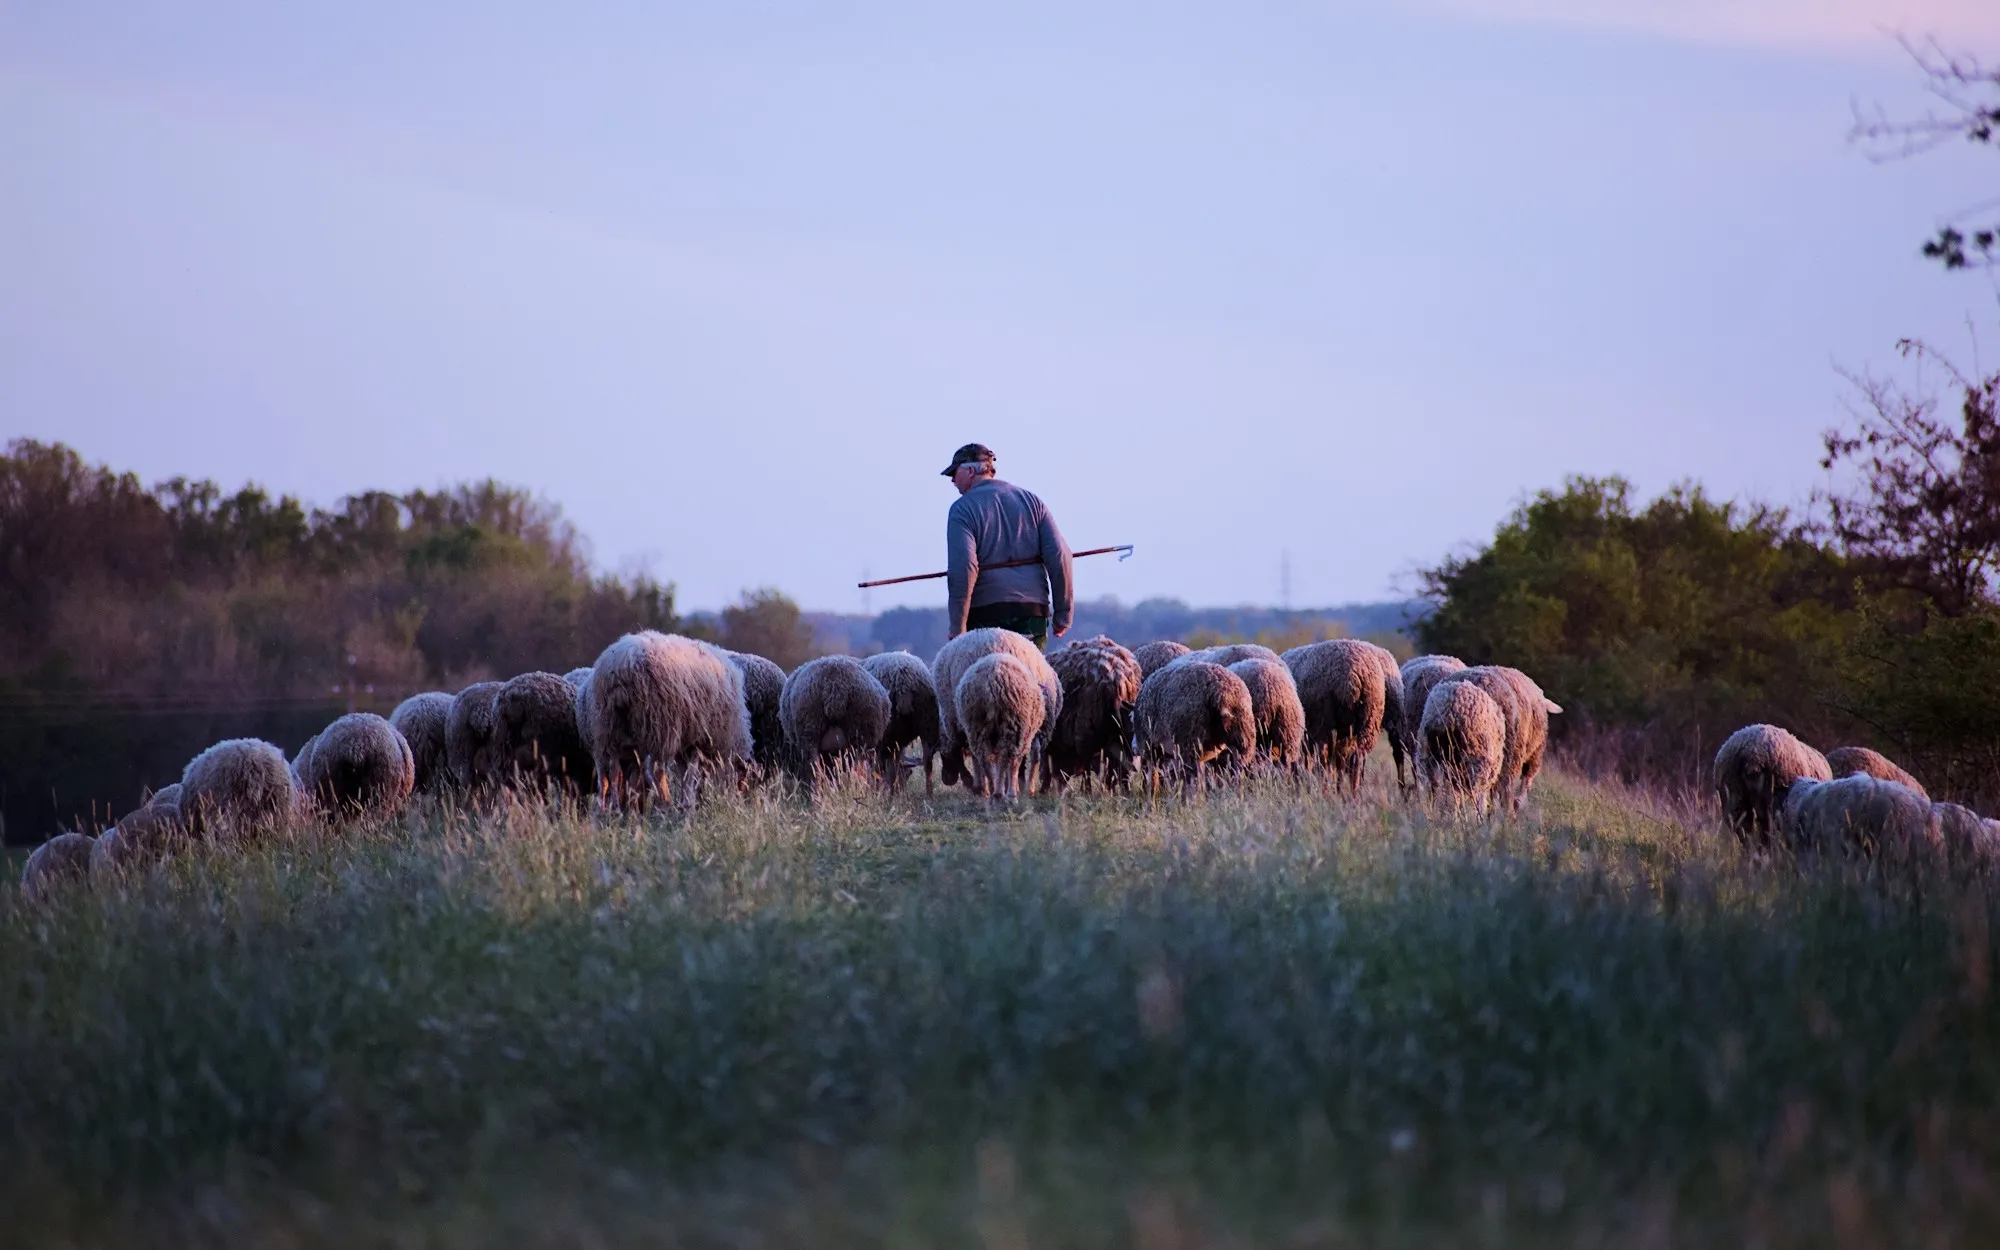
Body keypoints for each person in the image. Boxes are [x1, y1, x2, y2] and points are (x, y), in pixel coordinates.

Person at [942, 443, 1073, 648]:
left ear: (970, 470)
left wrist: (957, 628)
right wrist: (1063, 614)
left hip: (986, 616)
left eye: (954, 472)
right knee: (1031, 678)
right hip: (1033, 613)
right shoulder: (1032, 501)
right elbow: (1060, 555)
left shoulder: (961, 509)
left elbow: (964, 567)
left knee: (992, 679)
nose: (951, 480)